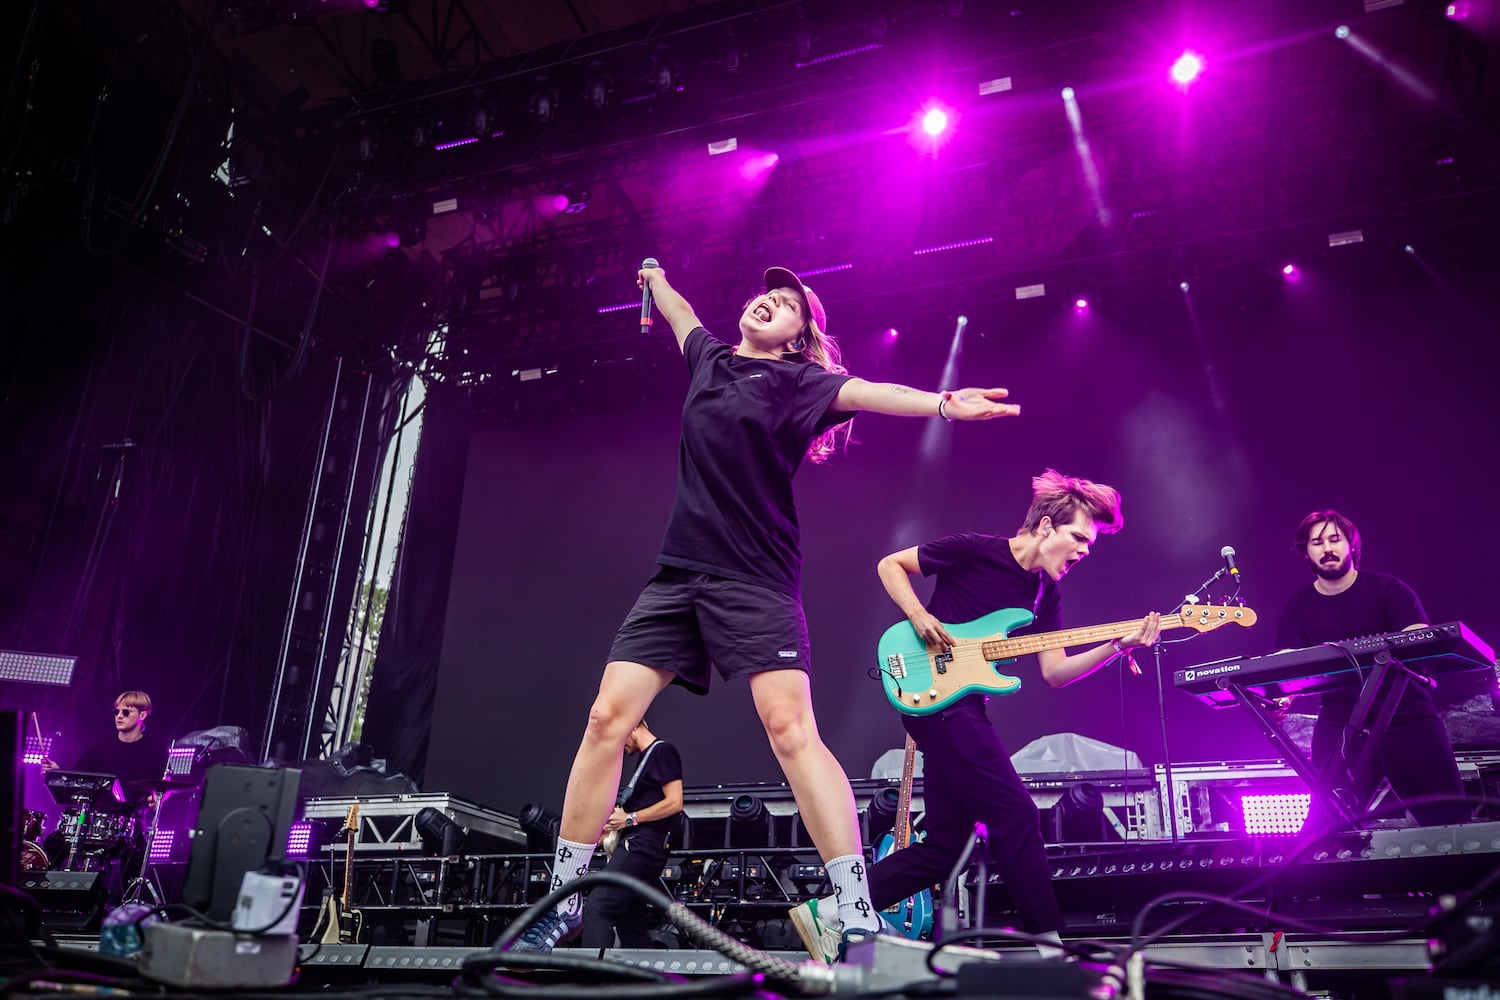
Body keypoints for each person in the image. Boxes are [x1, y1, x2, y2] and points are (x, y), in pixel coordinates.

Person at [508, 263, 1020, 956]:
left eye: (786, 307)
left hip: (755, 578)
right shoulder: (711, 361)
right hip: (677, 578)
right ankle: (564, 898)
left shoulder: (801, 383)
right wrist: (655, 279)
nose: (768, 304)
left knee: (790, 730)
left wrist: (942, 403)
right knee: (605, 718)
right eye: (766, 296)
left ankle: (855, 905)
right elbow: (682, 312)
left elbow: (873, 391)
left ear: (795, 340)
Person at [790, 470, 1161, 961]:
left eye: (1089, 544)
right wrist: (919, 616)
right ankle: (1049, 946)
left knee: (946, 846)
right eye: (1078, 538)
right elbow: (889, 565)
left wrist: (1117, 645)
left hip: (964, 704)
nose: (1084, 551)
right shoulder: (975, 549)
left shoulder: (1043, 594)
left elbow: (1054, 672)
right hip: (936, 700)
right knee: (1017, 813)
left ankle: (834, 911)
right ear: (1047, 526)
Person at [1275, 509, 1468, 828]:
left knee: (1448, 818)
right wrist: (1282, 699)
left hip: (1406, 712)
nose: (1327, 549)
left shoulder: (1389, 589)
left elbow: (1419, 636)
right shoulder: (1296, 608)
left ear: (1351, 545)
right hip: (1340, 716)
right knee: (1327, 825)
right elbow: (1287, 667)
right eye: (1317, 542)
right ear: (1305, 552)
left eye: (1335, 539)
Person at [584, 719, 683, 949]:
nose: (619, 745)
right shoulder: (646, 758)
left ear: (634, 724)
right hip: (641, 846)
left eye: (620, 736)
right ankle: (646, 980)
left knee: (599, 906)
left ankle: (593, 982)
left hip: (642, 847)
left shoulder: (662, 750)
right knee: (629, 923)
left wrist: (630, 818)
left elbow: (675, 802)